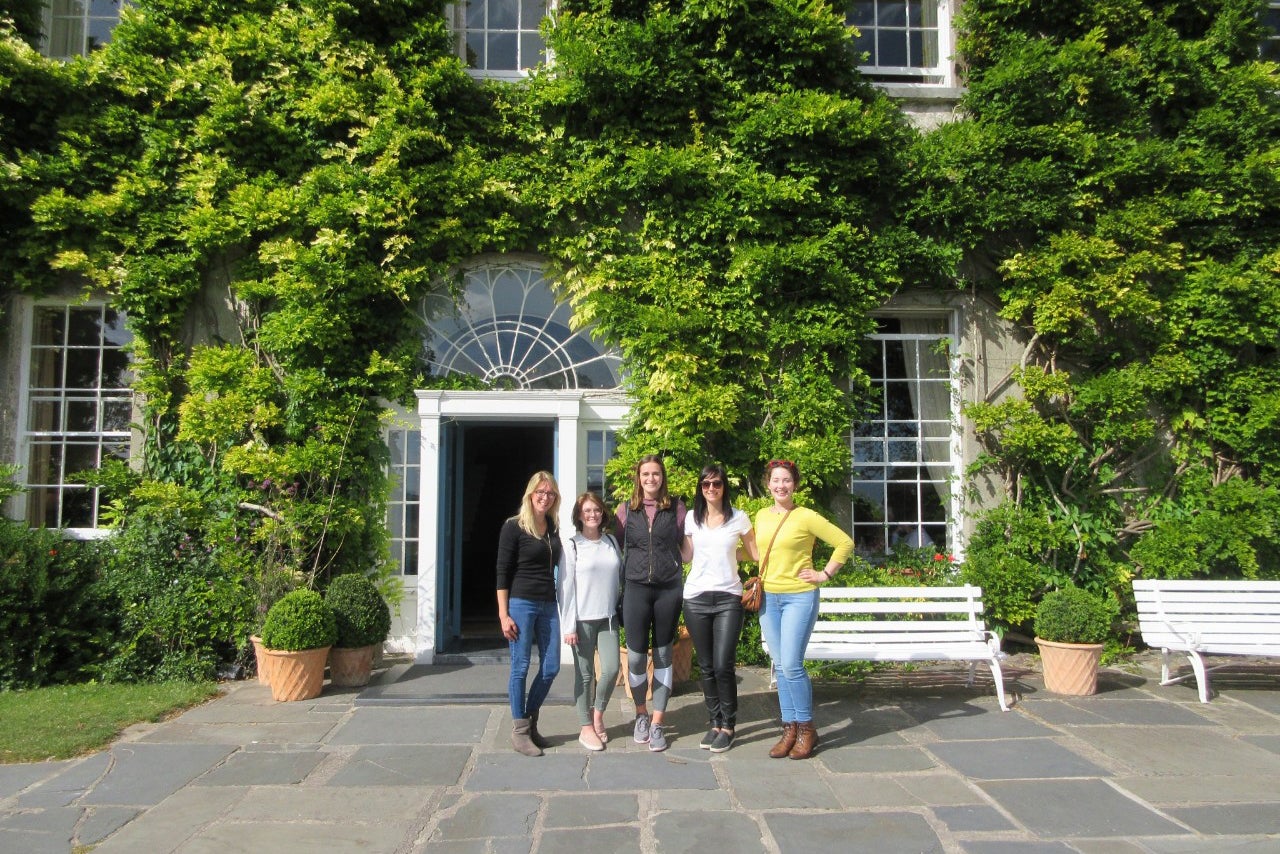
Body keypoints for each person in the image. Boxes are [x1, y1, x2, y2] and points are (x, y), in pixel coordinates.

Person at [755, 459, 853, 760]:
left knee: (793, 665)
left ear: (794, 485)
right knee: (781, 665)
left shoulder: (806, 516)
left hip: (799, 597)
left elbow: (844, 543)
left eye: (786, 480)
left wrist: (824, 574)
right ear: (768, 484)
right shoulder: (760, 516)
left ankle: (807, 729)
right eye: (775, 480)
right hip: (769, 598)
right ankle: (789, 728)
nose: (781, 485)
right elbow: (755, 551)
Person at [682, 463, 758, 753]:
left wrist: (730, 554)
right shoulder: (691, 518)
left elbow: (753, 553)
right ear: (700, 488)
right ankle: (714, 723)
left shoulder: (738, 518)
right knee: (705, 666)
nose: (711, 489)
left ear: (724, 486)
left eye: (716, 484)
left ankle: (729, 726)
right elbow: (687, 556)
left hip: (728, 597)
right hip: (696, 598)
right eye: (706, 484)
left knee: (723, 664)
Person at [614, 454, 687, 752]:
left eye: (656, 474)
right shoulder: (625, 511)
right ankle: (641, 715)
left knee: (664, 654)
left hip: (668, 590)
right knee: (634, 658)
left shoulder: (677, 508)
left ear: (662, 477)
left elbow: (688, 544)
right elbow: (614, 546)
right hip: (635, 589)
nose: (651, 479)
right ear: (638, 477)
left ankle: (658, 722)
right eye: (646, 474)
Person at [496, 471, 563, 757]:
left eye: (550, 493)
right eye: (540, 492)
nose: (545, 497)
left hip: (549, 604)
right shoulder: (514, 526)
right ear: (530, 494)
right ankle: (520, 731)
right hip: (521, 603)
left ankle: (531, 720)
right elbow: (502, 571)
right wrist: (503, 614)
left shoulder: (553, 526)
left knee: (551, 667)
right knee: (520, 666)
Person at [558, 492, 623, 752]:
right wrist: (569, 626)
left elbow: (619, 577)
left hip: (608, 618)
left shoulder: (610, 542)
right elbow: (565, 588)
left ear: (602, 513)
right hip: (582, 620)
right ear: (579, 515)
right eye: (587, 511)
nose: (592, 515)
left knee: (610, 669)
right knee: (585, 675)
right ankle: (585, 727)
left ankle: (598, 714)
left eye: (596, 510)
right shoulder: (572, 545)